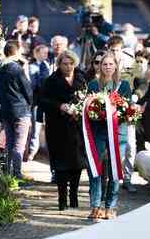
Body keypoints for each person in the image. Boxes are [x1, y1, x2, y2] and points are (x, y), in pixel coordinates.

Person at [39, 50, 87, 210]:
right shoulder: (51, 80)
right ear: (59, 64)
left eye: (71, 63)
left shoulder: (82, 77)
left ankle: (73, 196)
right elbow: (43, 101)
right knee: (61, 165)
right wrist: (60, 106)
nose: (68, 67)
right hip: (58, 128)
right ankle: (62, 199)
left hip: (77, 128)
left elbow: (88, 97)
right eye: (65, 64)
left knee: (77, 163)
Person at [87, 52, 131, 219]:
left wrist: (115, 111)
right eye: (104, 64)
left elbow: (127, 109)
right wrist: (97, 111)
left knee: (114, 169)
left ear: (115, 66)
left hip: (118, 132)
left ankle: (110, 207)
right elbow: (88, 107)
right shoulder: (92, 84)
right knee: (95, 167)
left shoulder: (124, 85)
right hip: (98, 131)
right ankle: (95, 206)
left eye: (110, 64)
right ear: (100, 66)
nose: (107, 67)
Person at [0, 40, 33, 179]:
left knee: (9, 142)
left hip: (6, 110)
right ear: (16, 51)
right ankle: (17, 173)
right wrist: (30, 104)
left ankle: (7, 174)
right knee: (19, 143)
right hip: (20, 110)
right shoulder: (17, 68)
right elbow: (27, 89)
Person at [108, 35, 137, 193]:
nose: (115, 53)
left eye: (117, 50)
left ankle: (128, 178)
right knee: (114, 146)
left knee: (130, 146)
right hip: (110, 110)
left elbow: (141, 81)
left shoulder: (131, 63)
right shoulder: (105, 64)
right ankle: (113, 178)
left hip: (128, 109)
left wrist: (137, 95)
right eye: (112, 50)